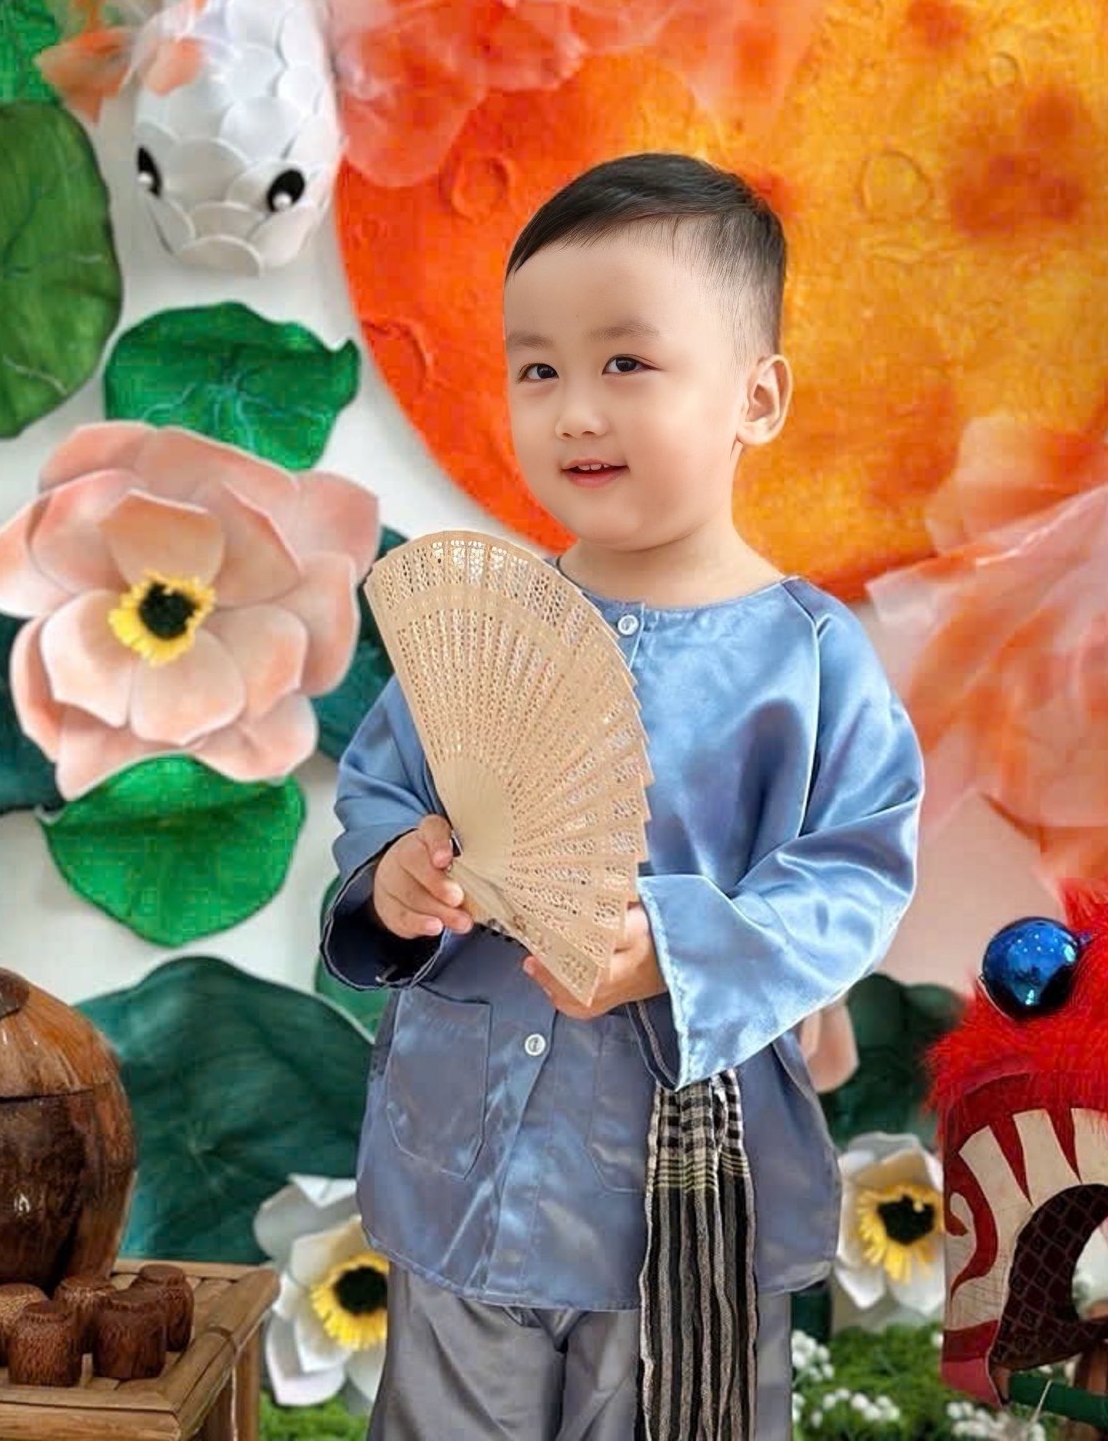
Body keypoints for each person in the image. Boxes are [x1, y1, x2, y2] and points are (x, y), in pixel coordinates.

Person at [321, 151, 925, 1440]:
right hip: (463, 1154)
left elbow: (856, 874)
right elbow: (379, 787)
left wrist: (679, 950)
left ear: (756, 397)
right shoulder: (489, 630)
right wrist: (395, 875)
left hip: (680, 1195)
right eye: (538, 370)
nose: (575, 413)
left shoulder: (810, 659)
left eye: (627, 364)